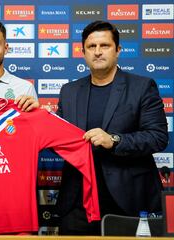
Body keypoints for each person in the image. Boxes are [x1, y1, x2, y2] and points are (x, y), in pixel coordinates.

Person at [55, 20, 168, 235]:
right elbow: (58, 133)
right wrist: (34, 117)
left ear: (117, 50)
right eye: (91, 47)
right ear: (83, 52)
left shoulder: (142, 86)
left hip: (127, 202)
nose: (98, 52)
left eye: (104, 46)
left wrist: (114, 140)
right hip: (77, 203)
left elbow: (158, 137)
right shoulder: (69, 91)